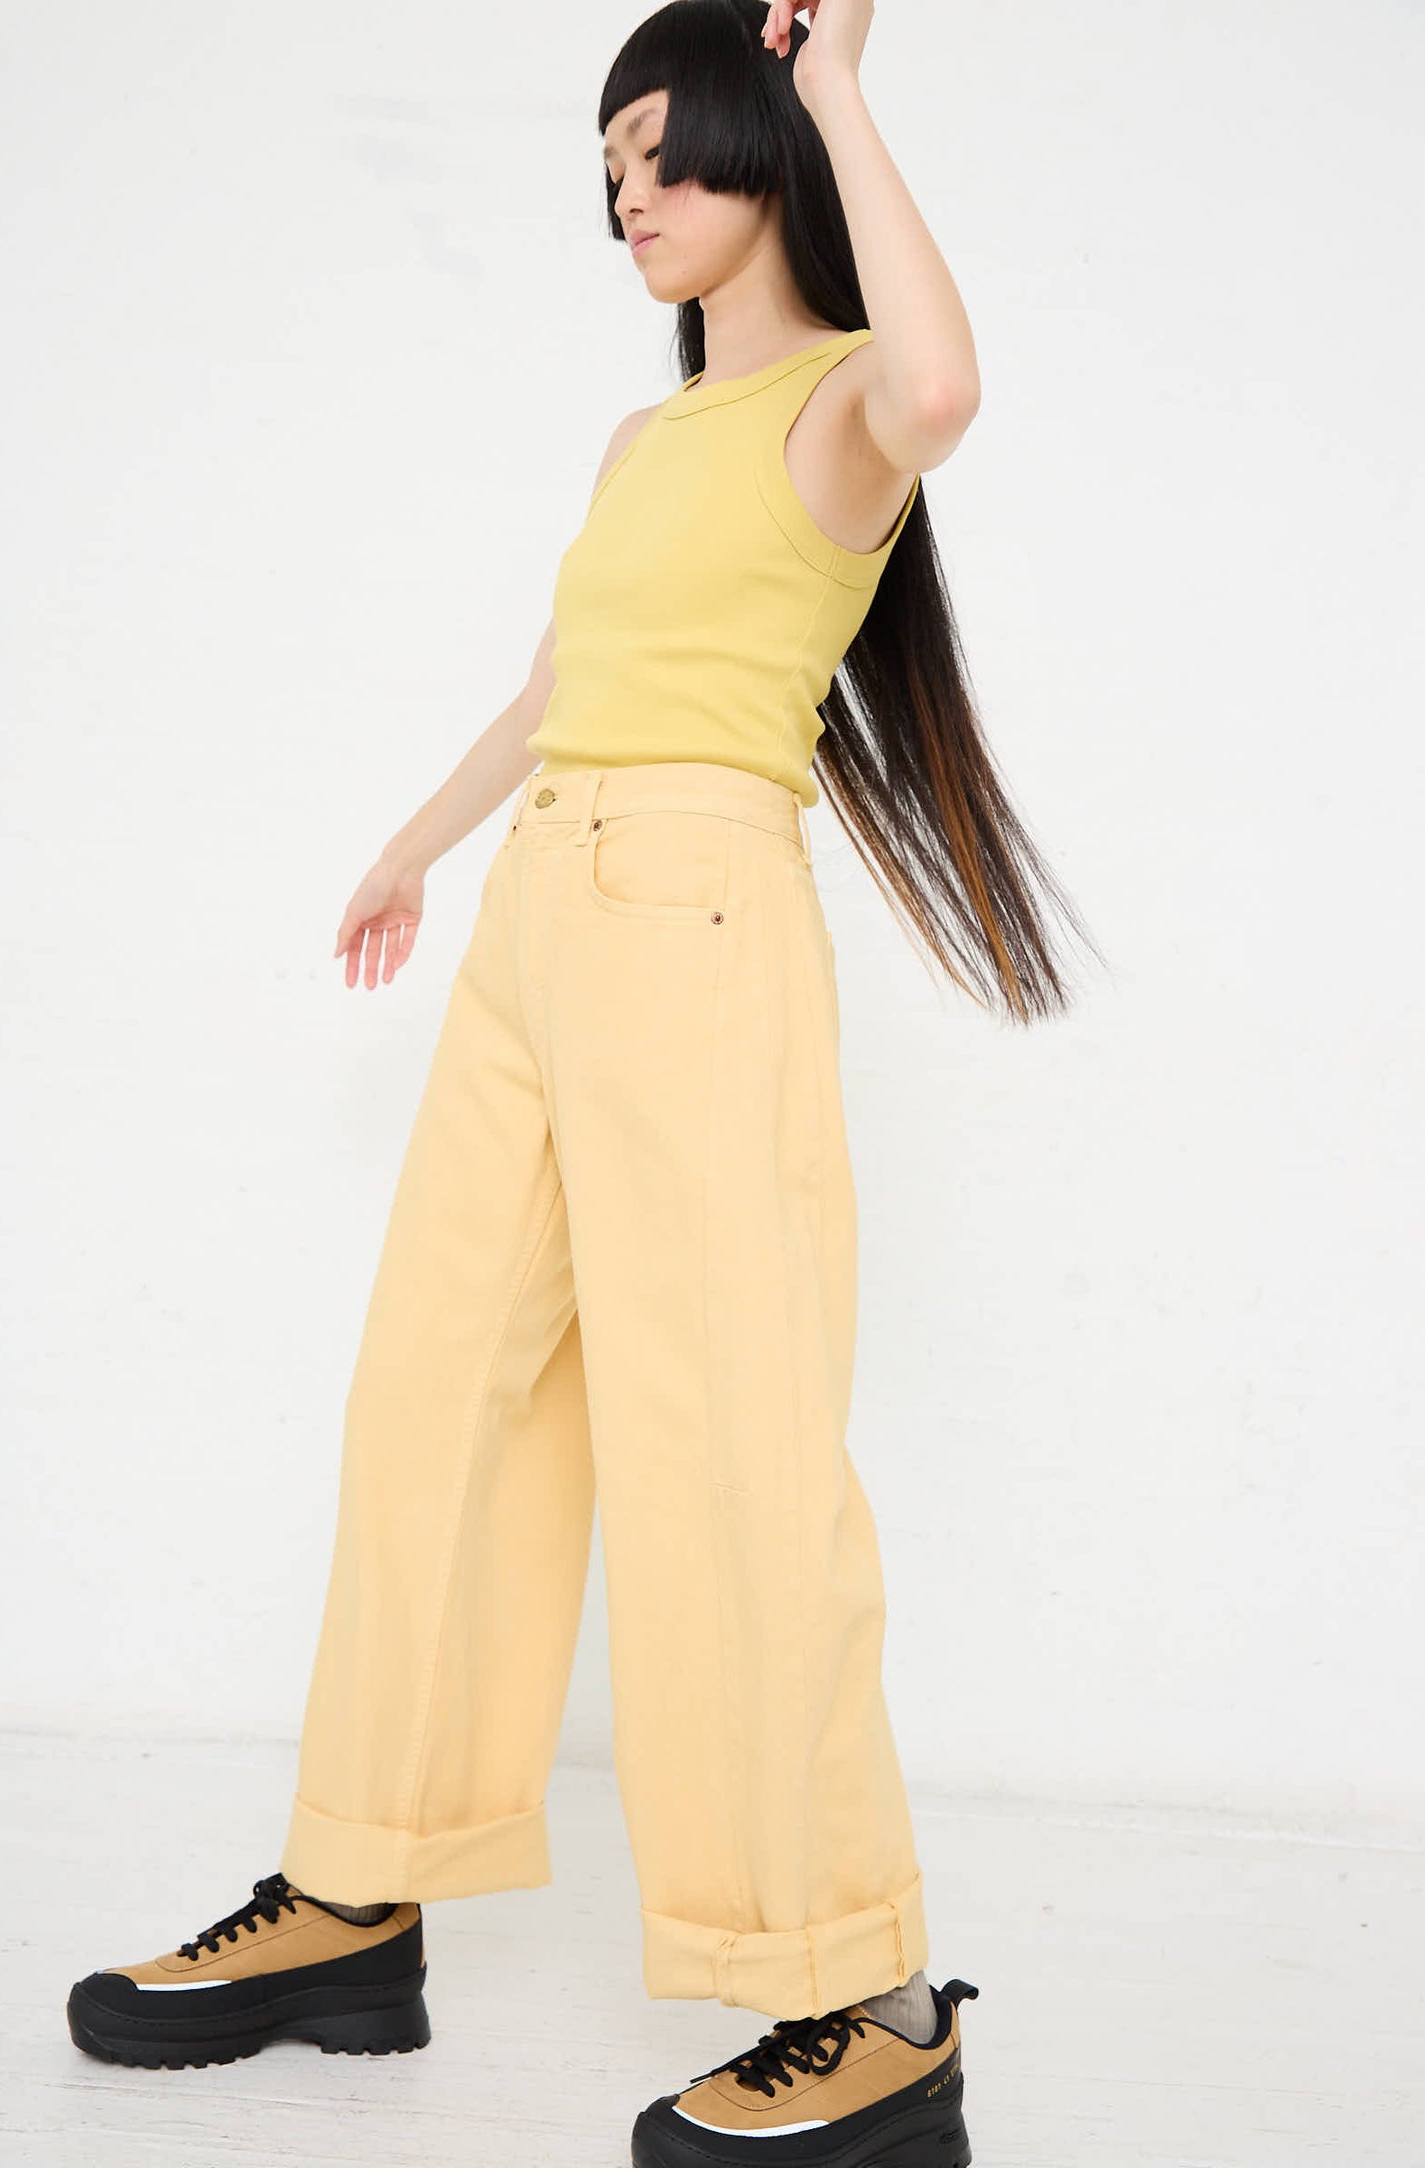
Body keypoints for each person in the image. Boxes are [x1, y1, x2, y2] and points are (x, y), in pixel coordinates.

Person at [67, 2, 1099, 2161]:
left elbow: (946, 381)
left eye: (666, 154)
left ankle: (867, 1992)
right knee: (434, 1391)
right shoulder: (644, 451)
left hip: (697, 920)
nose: (631, 195)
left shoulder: (839, 418)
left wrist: (836, 85)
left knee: (722, 1443)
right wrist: (411, 847)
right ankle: (359, 1886)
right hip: (547, 917)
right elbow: (559, 688)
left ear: (754, 152)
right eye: (610, 169)